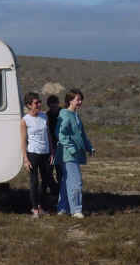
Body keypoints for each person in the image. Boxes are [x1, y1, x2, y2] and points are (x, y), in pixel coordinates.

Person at [55, 88, 94, 219]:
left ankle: (62, 208)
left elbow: (82, 135)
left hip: (75, 154)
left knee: (66, 182)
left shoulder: (76, 116)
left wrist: (89, 147)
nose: (80, 102)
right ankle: (76, 210)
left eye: (81, 99)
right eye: (78, 99)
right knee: (76, 182)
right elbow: (60, 134)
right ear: (70, 101)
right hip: (68, 155)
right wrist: (71, 148)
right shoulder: (65, 114)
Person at [20, 92, 54, 218]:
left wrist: (52, 152)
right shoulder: (25, 120)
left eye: (39, 102)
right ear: (29, 105)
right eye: (36, 103)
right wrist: (25, 159)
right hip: (33, 154)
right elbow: (23, 140)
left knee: (45, 181)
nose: (39, 104)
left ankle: (41, 207)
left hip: (46, 154)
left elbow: (49, 135)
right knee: (34, 182)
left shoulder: (44, 116)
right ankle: (34, 209)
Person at [45, 95, 62, 193]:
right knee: (49, 171)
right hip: (51, 146)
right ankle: (54, 189)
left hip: (61, 146)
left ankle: (60, 190)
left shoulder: (63, 114)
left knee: (60, 171)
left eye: (55, 105)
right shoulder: (47, 115)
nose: (54, 107)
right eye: (52, 106)